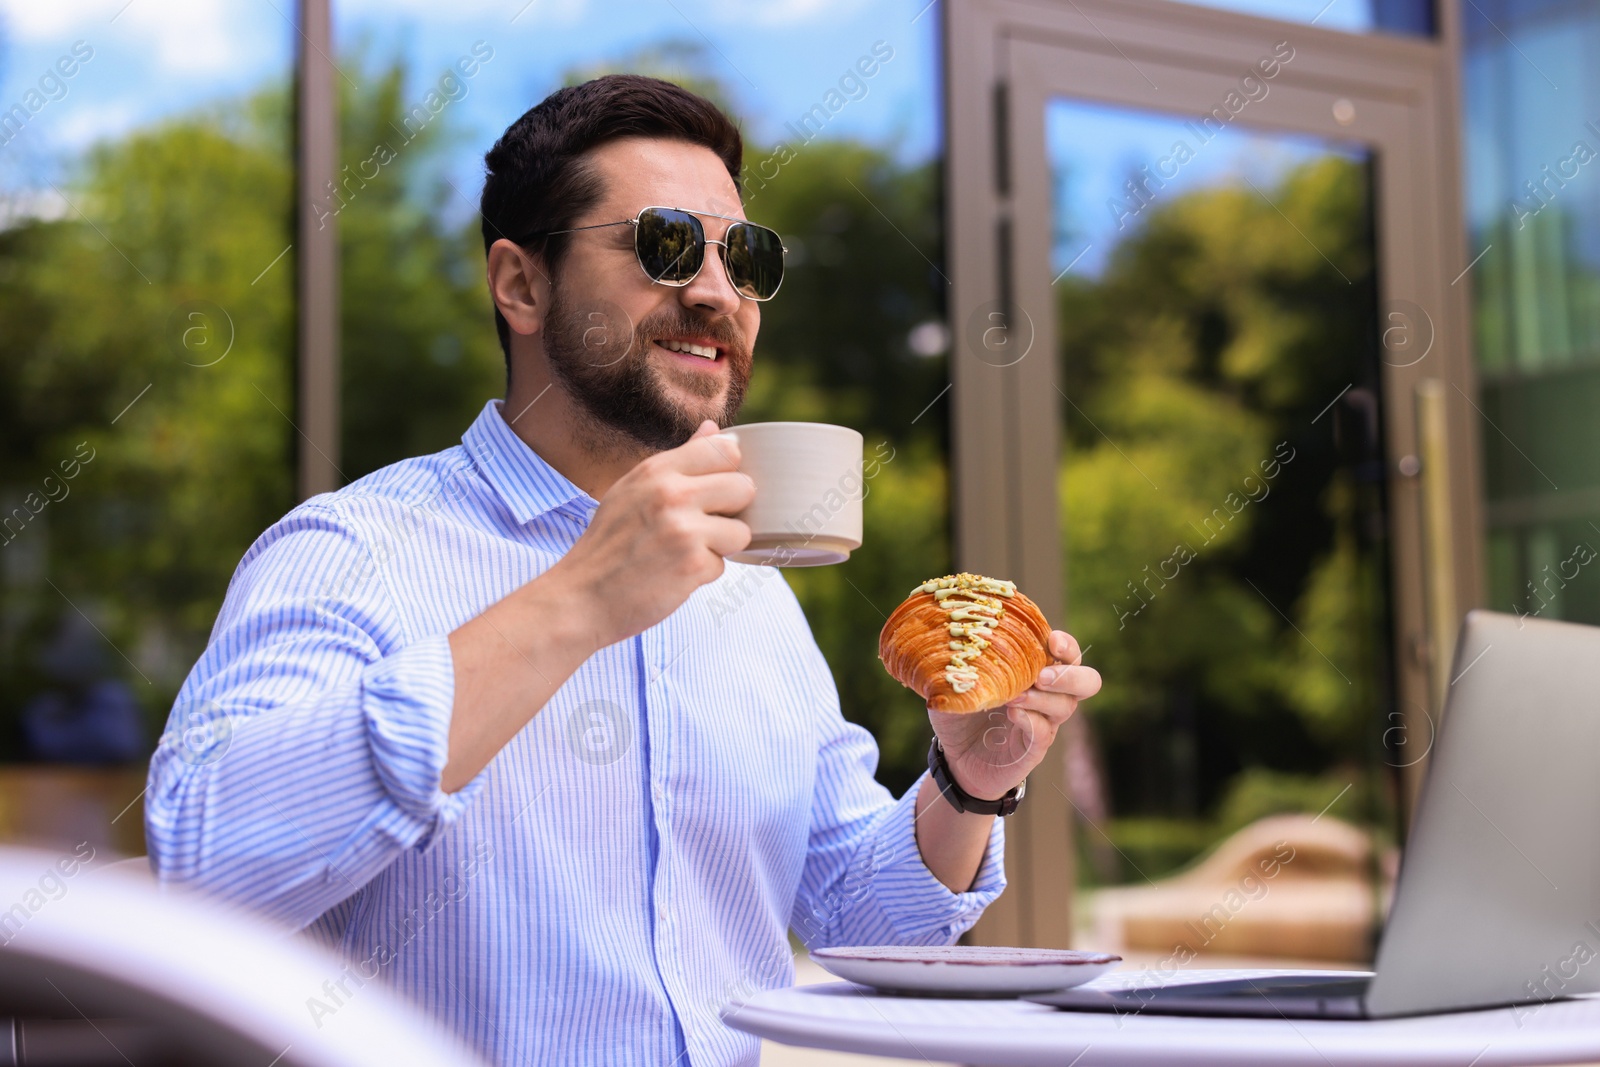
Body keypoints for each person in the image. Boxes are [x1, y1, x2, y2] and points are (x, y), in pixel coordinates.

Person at [145, 74, 1101, 1067]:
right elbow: (203, 863)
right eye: (665, 243)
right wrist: (583, 596)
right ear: (521, 284)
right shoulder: (351, 550)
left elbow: (863, 922)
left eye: (748, 258)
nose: (716, 291)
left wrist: (968, 783)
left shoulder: (753, 594)